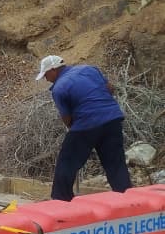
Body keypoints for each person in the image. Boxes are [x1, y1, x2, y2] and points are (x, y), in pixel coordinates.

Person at [35, 54, 132, 201]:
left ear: (53, 70)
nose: (45, 79)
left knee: (67, 162)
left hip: (86, 124)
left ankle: (60, 201)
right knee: (115, 164)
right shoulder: (89, 69)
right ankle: (127, 199)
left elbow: (67, 119)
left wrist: (79, 133)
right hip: (112, 119)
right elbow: (110, 89)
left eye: (46, 75)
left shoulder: (59, 88)